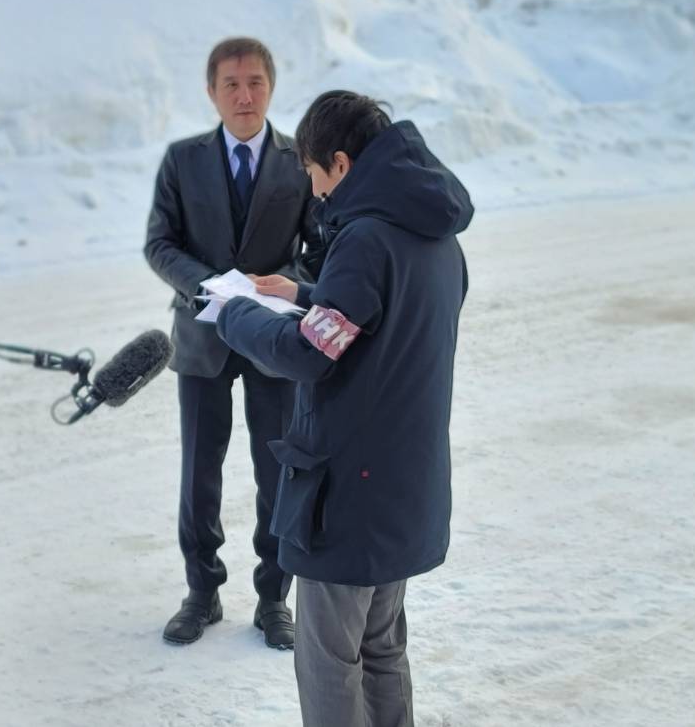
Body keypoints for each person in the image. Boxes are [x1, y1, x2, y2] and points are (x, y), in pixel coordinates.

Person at [214, 92, 473, 727]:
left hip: (349, 492)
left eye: (313, 175)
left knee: (329, 660)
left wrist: (237, 312)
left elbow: (310, 355)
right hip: (404, 487)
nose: (316, 192)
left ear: (341, 163)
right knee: (383, 649)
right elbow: (383, 319)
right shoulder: (435, 235)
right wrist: (308, 292)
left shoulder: (365, 239)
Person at [144, 37, 325, 650]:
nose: (244, 95)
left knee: (277, 468)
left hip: (274, 338)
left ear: (271, 87)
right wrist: (209, 286)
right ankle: (202, 591)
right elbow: (159, 244)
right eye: (231, 84)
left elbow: (320, 248)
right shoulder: (182, 159)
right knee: (200, 471)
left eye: (254, 82)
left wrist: (287, 287)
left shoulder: (297, 160)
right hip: (201, 337)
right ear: (212, 91)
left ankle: (274, 597)